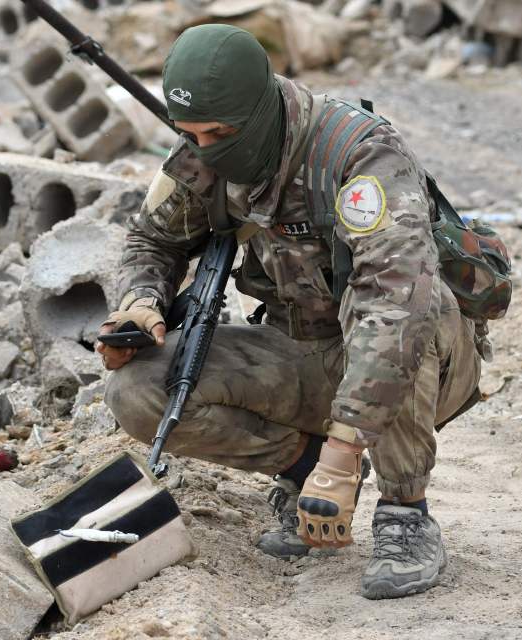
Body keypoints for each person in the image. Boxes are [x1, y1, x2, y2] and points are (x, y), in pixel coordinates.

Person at [97, 24, 483, 600]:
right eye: (190, 134)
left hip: (415, 355)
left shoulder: (359, 153)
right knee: (139, 390)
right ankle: (304, 475)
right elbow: (152, 242)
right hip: (296, 349)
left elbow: (395, 304)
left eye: (219, 133)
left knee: (402, 312)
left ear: (259, 111)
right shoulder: (204, 155)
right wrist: (142, 303)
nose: (204, 148)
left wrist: (346, 451)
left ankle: (406, 515)